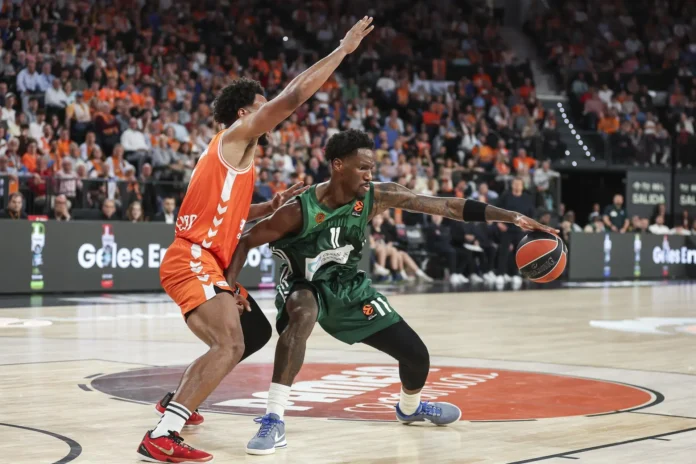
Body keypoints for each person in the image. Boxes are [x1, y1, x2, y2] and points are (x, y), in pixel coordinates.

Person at [224, 130, 555, 455]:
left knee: (416, 356)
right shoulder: (299, 210)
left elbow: (447, 207)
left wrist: (511, 216)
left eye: (372, 168)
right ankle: (273, 419)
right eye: (362, 167)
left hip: (349, 285)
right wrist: (229, 288)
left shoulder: (377, 196)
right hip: (303, 281)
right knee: (303, 312)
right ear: (338, 165)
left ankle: (410, 408)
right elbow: (246, 241)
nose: (370, 175)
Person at [138, 17, 376, 464]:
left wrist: (268, 207)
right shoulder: (233, 137)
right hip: (193, 257)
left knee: (254, 332)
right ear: (245, 114)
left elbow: (226, 214)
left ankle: (179, 399)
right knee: (228, 344)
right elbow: (295, 95)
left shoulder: (233, 157)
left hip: (205, 257)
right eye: (263, 106)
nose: (273, 113)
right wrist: (342, 50)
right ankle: (163, 433)